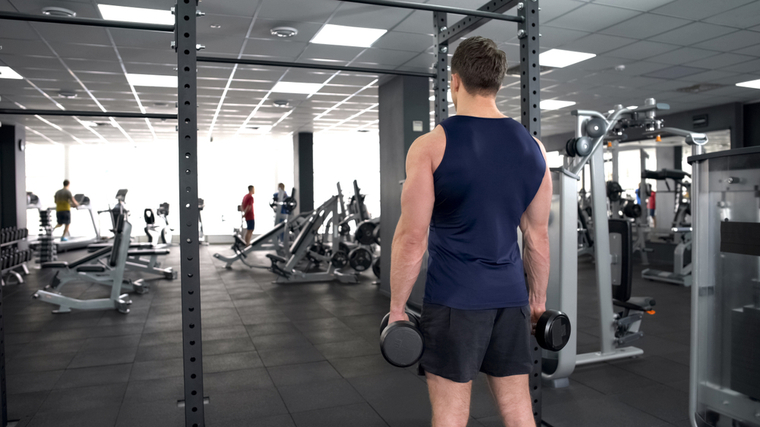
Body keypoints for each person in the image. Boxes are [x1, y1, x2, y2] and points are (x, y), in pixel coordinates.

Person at [388, 36, 551, 427]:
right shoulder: (534, 148)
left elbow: (413, 237)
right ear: (498, 83)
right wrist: (538, 301)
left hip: (454, 300)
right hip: (511, 299)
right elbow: (537, 236)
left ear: (455, 81)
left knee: (450, 415)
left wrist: (397, 308)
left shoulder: (430, 146)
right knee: (518, 410)